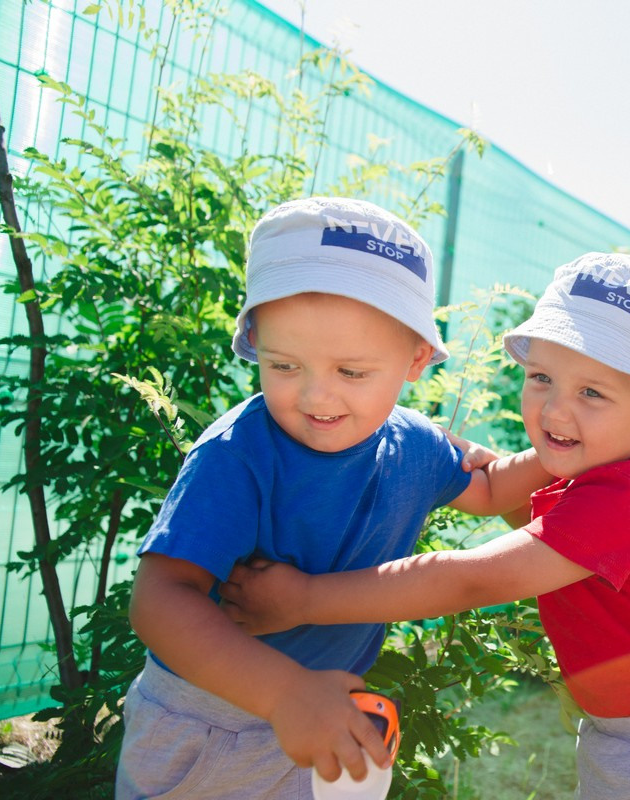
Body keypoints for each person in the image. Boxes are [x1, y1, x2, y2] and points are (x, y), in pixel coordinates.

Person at [222, 252, 630, 799]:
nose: (554, 411)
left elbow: (473, 579)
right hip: (626, 734)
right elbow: (513, 505)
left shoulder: (624, 499)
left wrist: (306, 598)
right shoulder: (598, 462)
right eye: (541, 378)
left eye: (592, 392)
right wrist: (455, 464)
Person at [115, 197, 552, 800]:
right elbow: (160, 600)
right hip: (210, 720)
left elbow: (491, 489)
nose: (315, 397)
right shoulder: (239, 454)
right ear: (254, 341)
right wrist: (283, 692)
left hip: (324, 714)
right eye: (284, 365)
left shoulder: (418, 447)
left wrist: (561, 453)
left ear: (416, 360)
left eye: (351, 373)